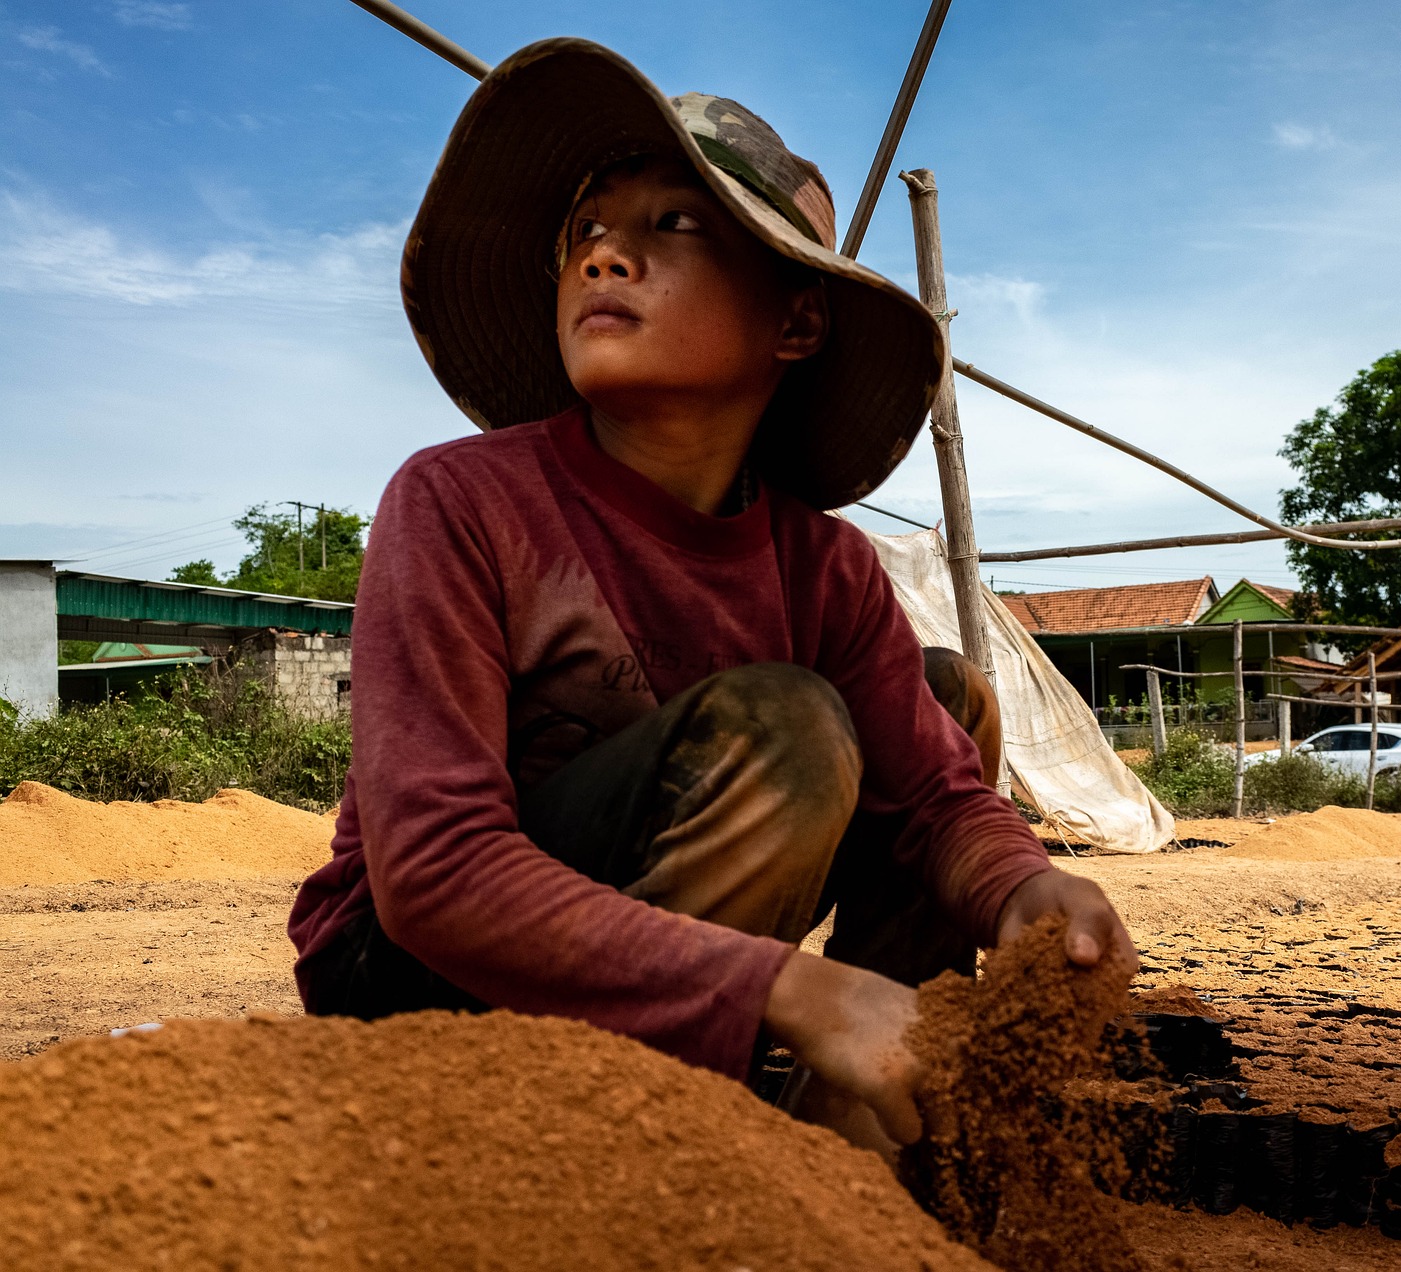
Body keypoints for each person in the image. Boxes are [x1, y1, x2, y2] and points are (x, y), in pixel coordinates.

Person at [286, 39, 1137, 1151]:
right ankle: (648, 1141)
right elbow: (436, 871)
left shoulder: (823, 567)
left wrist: (1025, 890)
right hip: (417, 980)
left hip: (670, 973)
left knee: (946, 698)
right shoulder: (460, 503)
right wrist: (786, 989)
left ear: (794, 323)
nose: (603, 258)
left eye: (673, 226)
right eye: (585, 233)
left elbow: (934, 802)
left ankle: (863, 1118)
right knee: (787, 724)